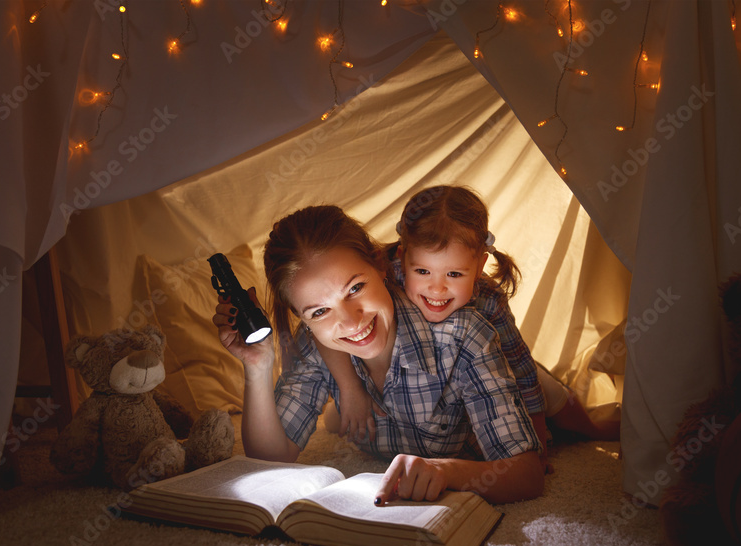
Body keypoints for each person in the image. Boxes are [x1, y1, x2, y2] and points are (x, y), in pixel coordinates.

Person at [213, 205, 543, 505]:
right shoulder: (314, 344)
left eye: (355, 288)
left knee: (551, 398)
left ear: (380, 265)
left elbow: (528, 474)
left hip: (512, 367)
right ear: (302, 316)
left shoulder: (464, 333)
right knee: (335, 420)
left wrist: (447, 472)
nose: (351, 321)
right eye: (320, 311)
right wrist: (257, 366)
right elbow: (269, 459)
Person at [319, 186, 619, 459]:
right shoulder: (384, 278)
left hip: (480, 369)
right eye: (423, 271)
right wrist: (350, 390)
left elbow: (521, 371)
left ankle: (590, 427)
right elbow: (329, 327)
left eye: (454, 274)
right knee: (340, 419)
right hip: (412, 378)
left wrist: (534, 448)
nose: (437, 289)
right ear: (402, 256)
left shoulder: (488, 299)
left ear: (479, 266)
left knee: (545, 388)